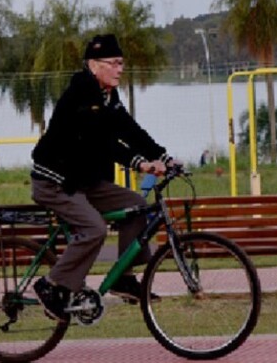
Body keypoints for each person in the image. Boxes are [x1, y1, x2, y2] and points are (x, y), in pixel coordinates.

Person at [31, 34, 173, 322]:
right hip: (56, 181)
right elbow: (101, 142)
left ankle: (123, 279)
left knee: (136, 206)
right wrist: (140, 164)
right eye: (115, 63)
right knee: (94, 229)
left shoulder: (109, 96)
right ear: (94, 65)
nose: (120, 68)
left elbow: (129, 129)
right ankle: (51, 285)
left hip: (84, 180)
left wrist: (164, 156)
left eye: (122, 63)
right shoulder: (81, 93)